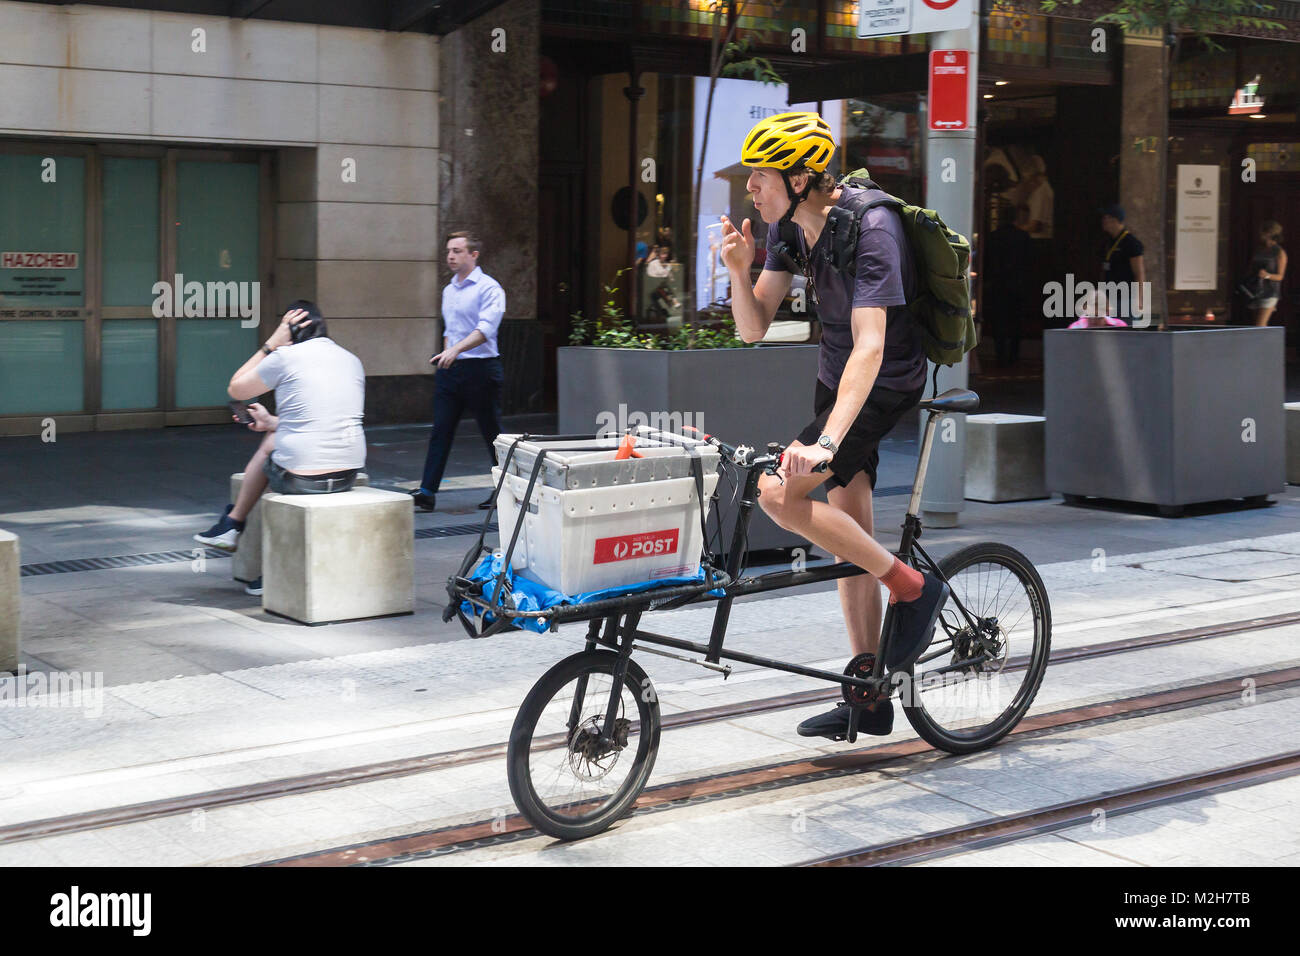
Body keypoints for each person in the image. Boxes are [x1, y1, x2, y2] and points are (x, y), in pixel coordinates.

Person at [719, 111, 949, 742]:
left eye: (758, 177)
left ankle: (912, 588)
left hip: (882, 382)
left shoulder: (873, 228)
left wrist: (825, 441)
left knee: (777, 491)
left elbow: (872, 347)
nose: (749, 189)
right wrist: (740, 271)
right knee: (849, 527)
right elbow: (753, 326)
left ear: (798, 177)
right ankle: (871, 694)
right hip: (836, 379)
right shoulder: (791, 230)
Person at [194, 302, 366, 595]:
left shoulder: (285, 356)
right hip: (347, 473)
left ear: (289, 330)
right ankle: (236, 530)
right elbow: (317, 417)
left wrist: (270, 344)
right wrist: (272, 421)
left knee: (273, 448)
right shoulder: (351, 359)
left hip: (303, 479)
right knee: (279, 439)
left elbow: (236, 388)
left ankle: (235, 525)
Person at [412, 231, 506, 512]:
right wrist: (447, 353)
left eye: (457, 251)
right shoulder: (449, 290)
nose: (450, 256)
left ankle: (506, 489)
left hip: (481, 369)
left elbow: (486, 330)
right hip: (451, 370)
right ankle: (428, 491)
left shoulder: (490, 289)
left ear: (473, 255)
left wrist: (456, 350)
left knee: (492, 434)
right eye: (448, 251)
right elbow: (449, 330)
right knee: (440, 429)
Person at [981, 203, 1034, 364]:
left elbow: (987, 262)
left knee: (999, 321)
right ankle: (1014, 355)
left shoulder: (992, 237)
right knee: (1016, 321)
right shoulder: (1023, 237)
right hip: (1018, 284)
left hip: (998, 284)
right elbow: (1029, 262)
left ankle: (1000, 355)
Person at [1098, 203, 1146, 319]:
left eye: (1105, 218)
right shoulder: (1108, 242)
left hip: (1127, 299)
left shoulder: (1131, 243)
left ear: (1115, 220)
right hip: (1109, 298)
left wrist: (1139, 299)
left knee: (1125, 333)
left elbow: (1139, 273)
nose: (1102, 221)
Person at [1248, 221, 1287, 327]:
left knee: (1260, 325)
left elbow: (1280, 276)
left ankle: (1264, 343)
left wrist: (1267, 275)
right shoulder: (1260, 249)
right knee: (1255, 326)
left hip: (1270, 292)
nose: (1260, 234)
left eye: (1263, 232)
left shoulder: (1279, 252)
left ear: (1269, 233)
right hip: (1256, 291)